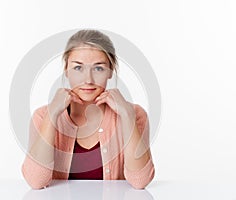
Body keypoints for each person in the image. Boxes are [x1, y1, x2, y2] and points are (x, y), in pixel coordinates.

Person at [21, 29, 155, 189]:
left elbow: (140, 182)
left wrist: (126, 115)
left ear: (110, 71)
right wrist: (52, 115)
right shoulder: (42, 116)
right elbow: (36, 182)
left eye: (98, 68)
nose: (88, 80)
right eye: (78, 68)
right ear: (66, 70)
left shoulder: (135, 114)